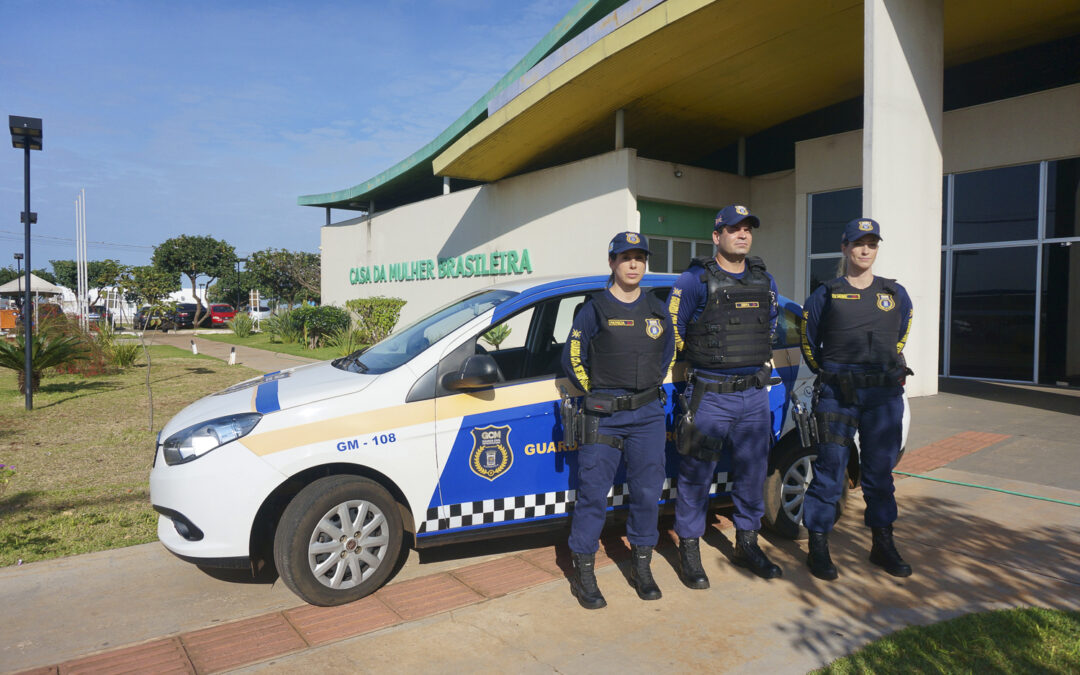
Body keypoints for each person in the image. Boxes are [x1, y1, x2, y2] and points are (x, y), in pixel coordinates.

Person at [666, 204, 782, 588]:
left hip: (753, 395)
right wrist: (696, 363)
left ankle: (746, 543)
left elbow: (772, 329)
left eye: (748, 228)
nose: (743, 234)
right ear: (717, 236)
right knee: (696, 475)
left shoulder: (766, 281)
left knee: (752, 474)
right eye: (734, 229)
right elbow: (672, 331)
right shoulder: (694, 280)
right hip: (710, 396)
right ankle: (690, 549)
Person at [561, 231, 675, 610]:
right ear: (611, 262)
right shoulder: (593, 309)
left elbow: (668, 354)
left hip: (647, 414)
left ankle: (642, 566)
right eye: (625, 257)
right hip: (604, 415)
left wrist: (643, 390)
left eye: (639, 257)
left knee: (646, 493)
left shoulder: (657, 308)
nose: (633, 264)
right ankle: (584, 572)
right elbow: (573, 356)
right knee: (593, 495)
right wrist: (599, 394)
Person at [799, 217, 914, 581]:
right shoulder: (826, 293)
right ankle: (818, 545)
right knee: (830, 471)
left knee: (880, 474)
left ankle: (883, 544)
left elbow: (901, 334)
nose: (866, 250)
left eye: (872, 243)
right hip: (837, 396)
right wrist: (835, 373)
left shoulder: (895, 294)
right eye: (858, 243)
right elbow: (808, 343)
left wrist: (876, 372)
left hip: (883, 397)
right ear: (845, 248)